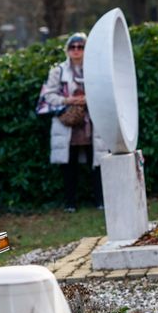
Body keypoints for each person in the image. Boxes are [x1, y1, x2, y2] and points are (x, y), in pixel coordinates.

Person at [39, 32, 106, 212]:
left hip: (92, 121)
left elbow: (104, 91)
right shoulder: (58, 71)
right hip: (68, 124)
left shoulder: (95, 69)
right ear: (67, 50)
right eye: (72, 47)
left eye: (80, 47)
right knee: (69, 164)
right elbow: (48, 96)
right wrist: (68, 100)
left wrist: (88, 99)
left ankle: (100, 200)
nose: (76, 50)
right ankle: (70, 202)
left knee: (97, 161)